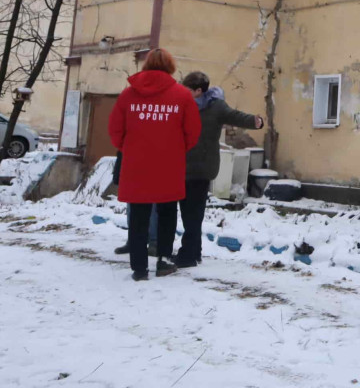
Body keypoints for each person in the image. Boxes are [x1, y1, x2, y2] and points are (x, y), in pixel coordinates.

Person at [108, 48, 201, 281]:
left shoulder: (128, 96)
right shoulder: (182, 96)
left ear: (146, 66)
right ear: (171, 66)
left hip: (136, 164)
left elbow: (115, 131)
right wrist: (176, 150)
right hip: (169, 164)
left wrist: (130, 149)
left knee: (138, 215)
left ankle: (139, 268)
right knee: (167, 212)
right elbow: (193, 133)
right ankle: (164, 261)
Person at [175, 71, 263, 268]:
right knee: (190, 212)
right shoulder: (182, 104)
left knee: (192, 212)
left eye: (188, 90)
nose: (183, 92)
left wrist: (254, 121)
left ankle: (187, 255)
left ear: (199, 90)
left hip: (202, 165)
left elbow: (235, 116)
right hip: (183, 163)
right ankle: (193, 252)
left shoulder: (216, 106)